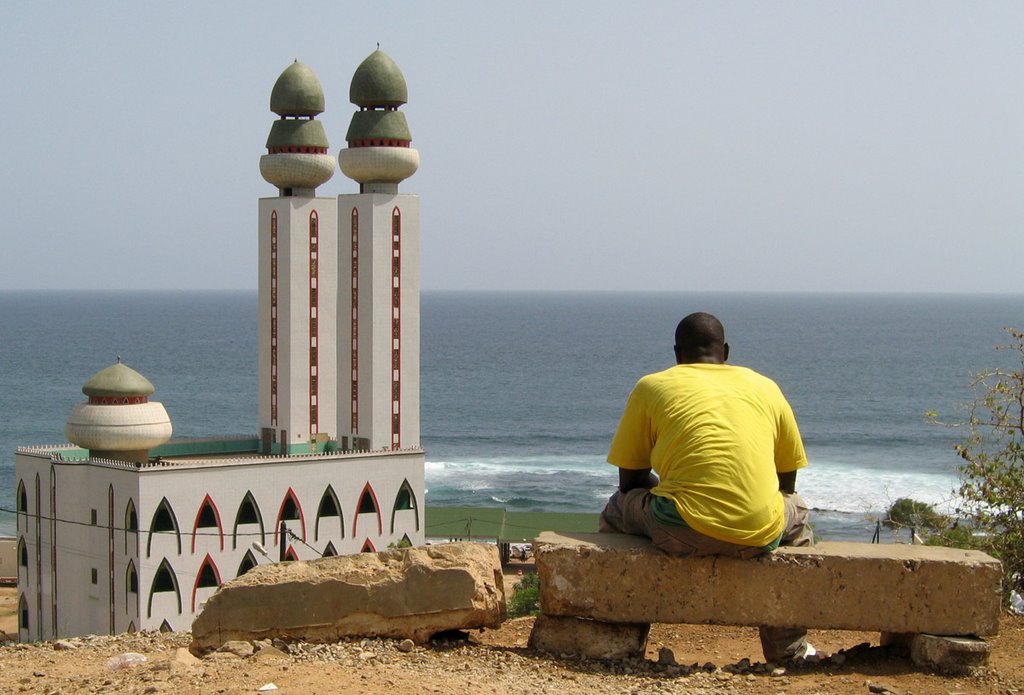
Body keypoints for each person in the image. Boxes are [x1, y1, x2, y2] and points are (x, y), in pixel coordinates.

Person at [599, 311, 814, 662]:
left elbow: (630, 482)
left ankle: (617, 636)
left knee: (615, 509)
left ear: (676, 353)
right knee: (798, 513)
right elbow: (785, 484)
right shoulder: (766, 387)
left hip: (678, 528)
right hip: (759, 532)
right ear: (725, 351)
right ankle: (789, 648)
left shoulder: (652, 386)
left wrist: (676, 490)